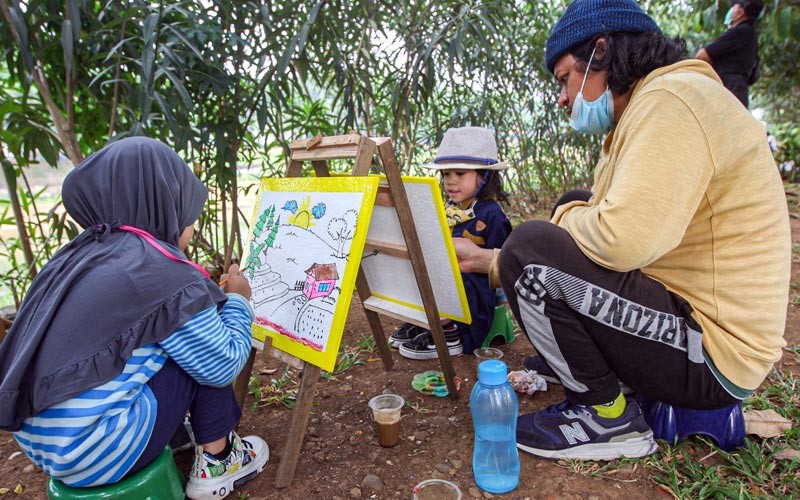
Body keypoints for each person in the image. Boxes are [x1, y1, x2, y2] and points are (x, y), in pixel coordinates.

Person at [453, 0, 790, 461]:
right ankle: (600, 373)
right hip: (696, 328)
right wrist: (497, 259)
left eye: (565, 79)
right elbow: (602, 225)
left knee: (532, 243)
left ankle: (605, 417)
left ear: (601, 52)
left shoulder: (673, 101)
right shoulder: (654, 106)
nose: (563, 98)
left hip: (712, 355)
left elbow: (621, 240)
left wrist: (541, 235)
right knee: (567, 208)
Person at [0, 137, 269, 498]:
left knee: (179, 329)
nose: (191, 225)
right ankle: (220, 461)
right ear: (165, 206)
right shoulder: (162, 271)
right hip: (97, 451)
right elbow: (223, 364)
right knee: (206, 342)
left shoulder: (79, 257)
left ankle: (172, 434)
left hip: (45, 447)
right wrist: (237, 299)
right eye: (189, 214)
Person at [389, 126, 512, 360]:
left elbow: (502, 264)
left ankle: (450, 333)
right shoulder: (448, 210)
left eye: (460, 174)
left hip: (475, 294)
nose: (451, 182)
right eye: (446, 174)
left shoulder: (492, 214)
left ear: (486, 175)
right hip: (448, 283)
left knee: (453, 278)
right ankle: (428, 321)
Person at [696, 0, 764, 108]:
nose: (731, 9)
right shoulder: (750, 34)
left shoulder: (740, 32)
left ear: (740, 13)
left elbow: (702, 56)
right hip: (738, 91)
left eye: (734, 6)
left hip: (728, 89)